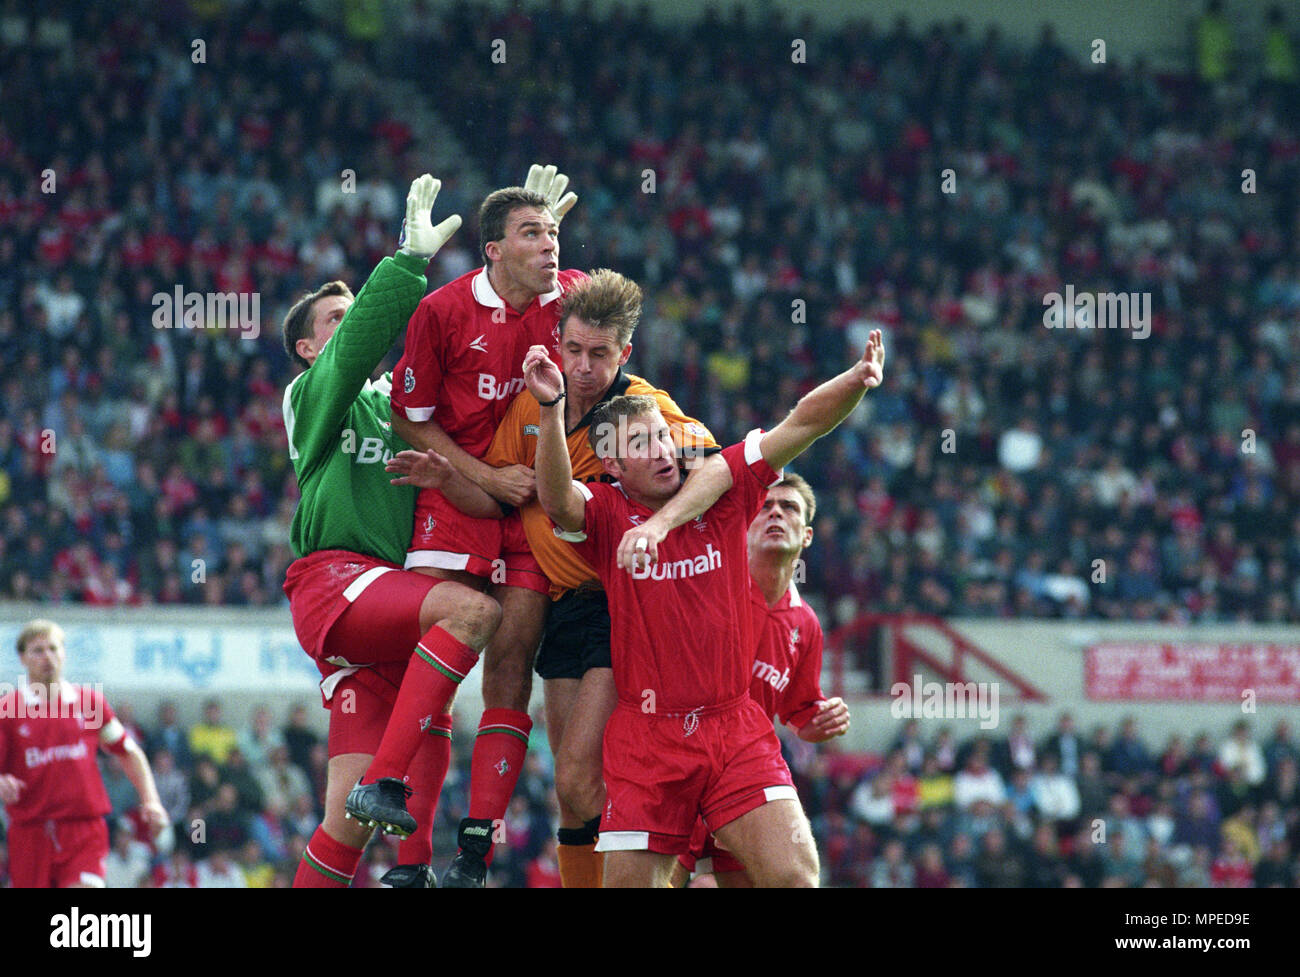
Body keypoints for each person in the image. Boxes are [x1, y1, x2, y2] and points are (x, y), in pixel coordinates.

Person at [388, 268, 724, 887]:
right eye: (574, 349)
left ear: (625, 353)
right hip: (565, 605)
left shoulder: (646, 411)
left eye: (600, 354)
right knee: (572, 795)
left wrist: (659, 524)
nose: (584, 365)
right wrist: (451, 479)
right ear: (558, 343)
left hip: (625, 606)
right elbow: (498, 501)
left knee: (577, 774)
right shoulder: (534, 402)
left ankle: (680, 869)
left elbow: (713, 470)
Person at [525, 328, 885, 886]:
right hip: (648, 742)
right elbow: (556, 497)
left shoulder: (724, 490)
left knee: (796, 875)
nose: (662, 451)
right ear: (613, 467)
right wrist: (551, 412)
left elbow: (802, 424)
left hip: (733, 728)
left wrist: (857, 380)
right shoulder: (603, 512)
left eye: (663, 437)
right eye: (640, 445)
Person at [280, 174, 501, 889]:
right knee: (473, 613)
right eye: (334, 318)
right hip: (339, 582)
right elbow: (357, 349)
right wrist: (406, 262)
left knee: (341, 831)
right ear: (309, 350)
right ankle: (390, 790)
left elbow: (467, 357)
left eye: (355, 311)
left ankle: (409, 867)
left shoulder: (399, 403)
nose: (350, 324)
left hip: (390, 605)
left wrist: (517, 279)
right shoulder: (313, 396)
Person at [383, 164, 586, 886]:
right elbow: (410, 418)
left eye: (556, 234)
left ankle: (473, 851)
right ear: (492, 250)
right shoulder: (440, 311)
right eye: (532, 235)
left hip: (528, 504)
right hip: (452, 494)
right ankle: (408, 858)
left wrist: (546, 245)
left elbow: (614, 322)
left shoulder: (567, 299)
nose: (550, 246)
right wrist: (480, 476)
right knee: (435, 670)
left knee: (510, 666)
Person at [670, 472, 851, 887]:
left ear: (806, 536)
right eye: (764, 507)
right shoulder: (707, 585)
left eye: (788, 508)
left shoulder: (805, 625)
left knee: (793, 878)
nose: (774, 513)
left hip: (742, 774)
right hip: (678, 763)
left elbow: (799, 711)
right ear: (745, 526)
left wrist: (820, 723)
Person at [0, 619, 168, 888]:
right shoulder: (7, 711)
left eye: (53, 649)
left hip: (83, 830)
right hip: (30, 833)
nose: (48, 657)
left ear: (64, 653)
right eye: (38, 650)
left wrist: (151, 801)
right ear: (22, 658)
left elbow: (128, 752)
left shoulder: (90, 703)